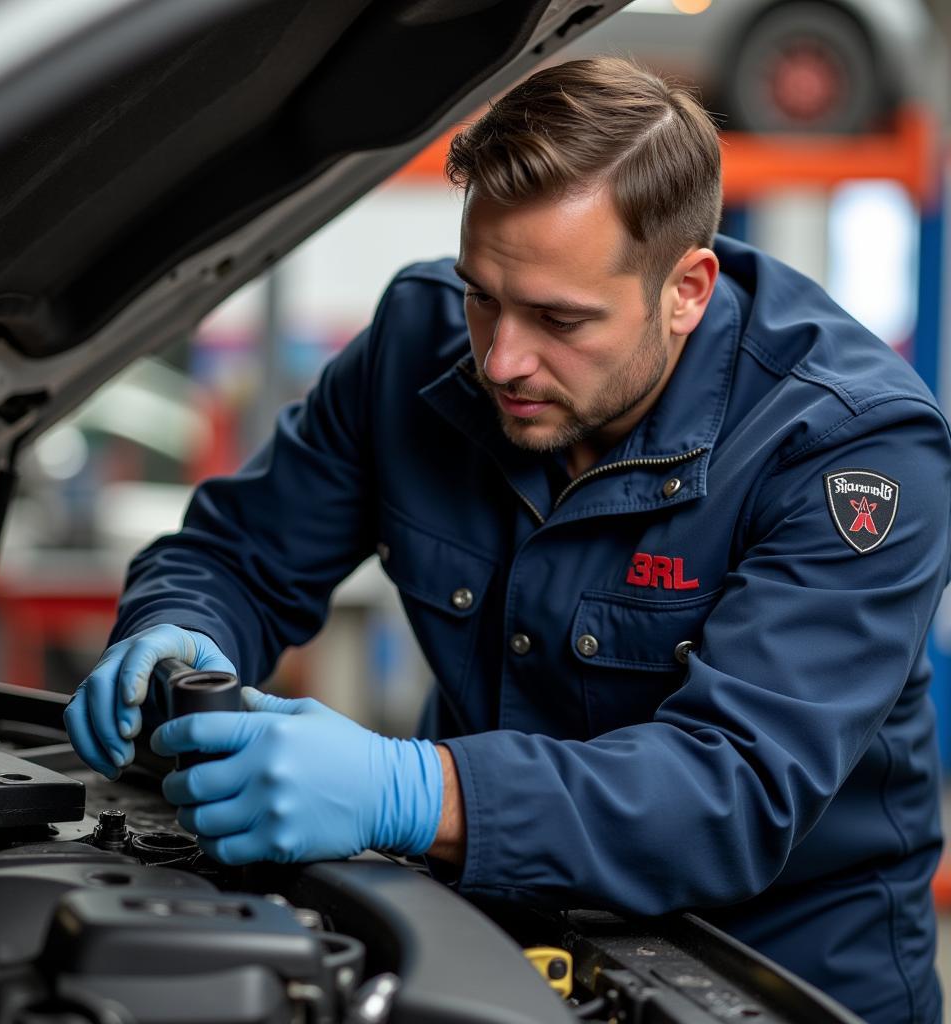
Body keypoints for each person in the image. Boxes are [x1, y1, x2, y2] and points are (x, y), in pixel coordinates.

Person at [64, 57, 950, 1023]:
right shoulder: (417, 341)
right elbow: (237, 556)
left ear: (686, 289)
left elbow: (732, 790)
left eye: (560, 318)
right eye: (482, 293)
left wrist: (412, 792)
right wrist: (179, 625)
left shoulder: (851, 450)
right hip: (490, 945)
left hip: (767, 976)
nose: (500, 359)